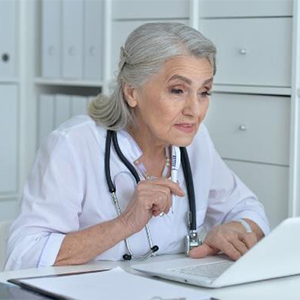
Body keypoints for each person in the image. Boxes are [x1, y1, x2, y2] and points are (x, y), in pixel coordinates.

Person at [5, 22, 269, 271]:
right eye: (177, 90)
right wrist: (125, 223)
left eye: (204, 92)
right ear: (132, 92)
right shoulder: (73, 145)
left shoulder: (195, 143)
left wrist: (234, 229)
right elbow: (23, 256)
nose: (195, 111)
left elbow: (250, 210)